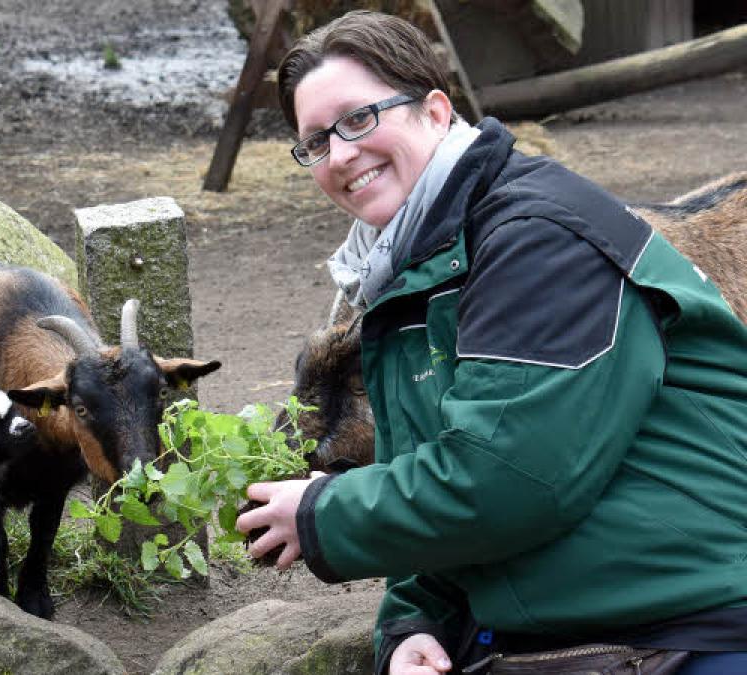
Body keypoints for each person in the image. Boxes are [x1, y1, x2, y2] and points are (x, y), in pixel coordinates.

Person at [234, 10, 747, 675]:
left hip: (689, 625)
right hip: (576, 621)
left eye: (358, 120)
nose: (339, 155)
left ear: (436, 111)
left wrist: (320, 515)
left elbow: (510, 482)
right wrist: (415, 622)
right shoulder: (414, 266)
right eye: (315, 142)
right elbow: (441, 466)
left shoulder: (538, 244)